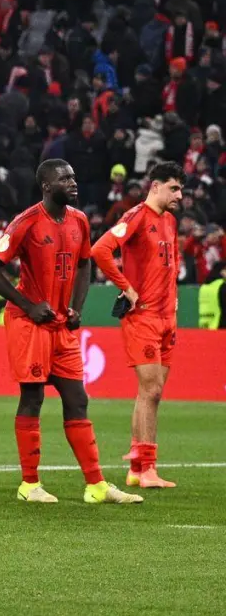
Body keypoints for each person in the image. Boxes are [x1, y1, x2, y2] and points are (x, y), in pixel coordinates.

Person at [0, 160, 142, 505]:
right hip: (30, 323)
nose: (73, 181)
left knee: (77, 399)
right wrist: (27, 305)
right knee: (33, 398)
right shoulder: (26, 221)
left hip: (59, 324)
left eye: (73, 175)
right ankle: (29, 485)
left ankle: (96, 486)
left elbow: (85, 263)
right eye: (64, 177)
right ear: (45, 184)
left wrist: (76, 307)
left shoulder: (79, 220)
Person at [91, 160, 184, 489]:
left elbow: (171, 263)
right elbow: (100, 249)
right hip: (143, 315)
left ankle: (140, 467)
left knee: (154, 394)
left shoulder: (170, 222)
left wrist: (174, 300)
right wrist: (125, 287)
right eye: (174, 188)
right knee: (151, 389)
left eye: (181, 188)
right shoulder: (135, 217)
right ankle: (145, 468)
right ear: (155, 186)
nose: (180, 195)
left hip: (167, 317)